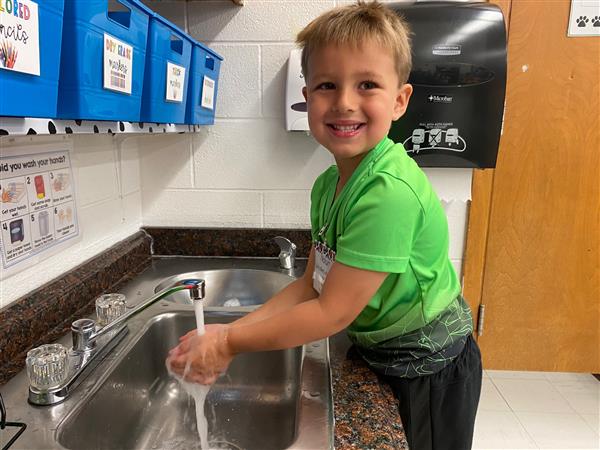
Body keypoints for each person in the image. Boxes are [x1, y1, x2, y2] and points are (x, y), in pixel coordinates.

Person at [167, 2, 482, 449]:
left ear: (399, 100)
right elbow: (312, 286)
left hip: (429, 368)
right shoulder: (329, 185)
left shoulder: (387, 191)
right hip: (383, 352)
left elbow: (332, 312)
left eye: (367, 84)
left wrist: (231, 343)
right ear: (307, 96)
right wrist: (225, 334)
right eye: (327, 85)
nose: (344, 103)